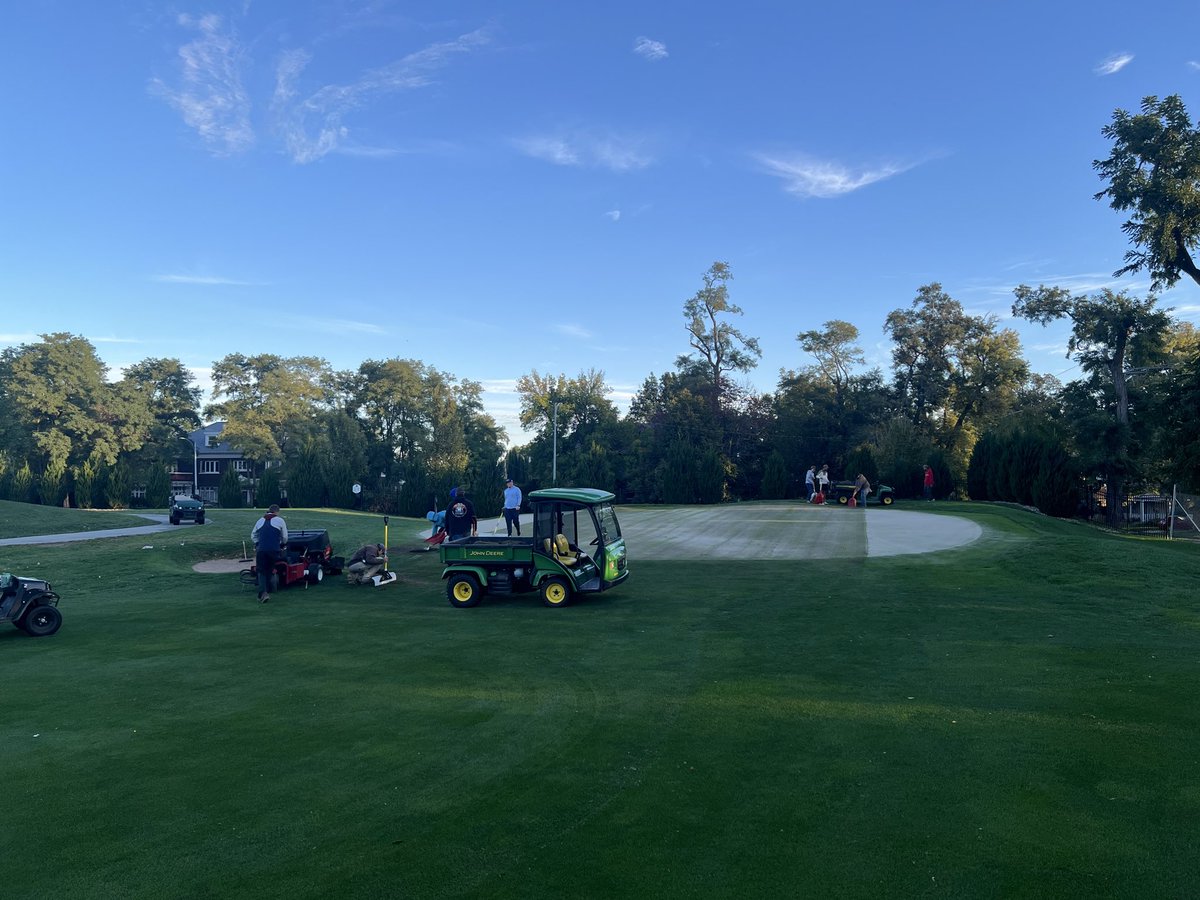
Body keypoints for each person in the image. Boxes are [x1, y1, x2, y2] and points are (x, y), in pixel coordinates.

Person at [250, 504, 288, 603]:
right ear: (277, 512)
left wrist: (258, 543)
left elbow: (253, 535)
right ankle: (270, 589)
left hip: (261, 550)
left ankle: (263, 592)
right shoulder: (280, 520)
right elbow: (285, 537)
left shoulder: (260, 520)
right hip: (274, 550)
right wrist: (282, 544)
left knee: (261, 571)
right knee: (271, 568)